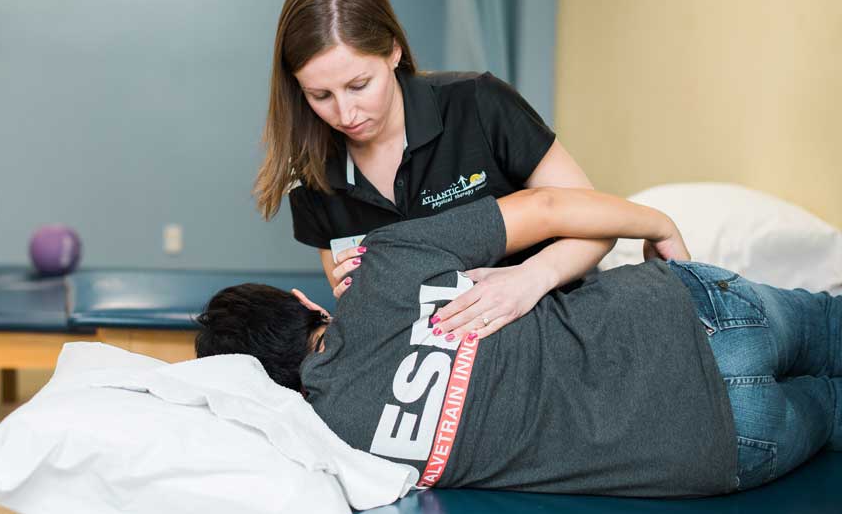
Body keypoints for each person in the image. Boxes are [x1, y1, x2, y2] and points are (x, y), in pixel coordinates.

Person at [197, 188, 842, 497]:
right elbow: (549, 208)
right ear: (308, 303)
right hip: (686, 319)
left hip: (721, 449)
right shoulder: (386, 266)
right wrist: (660, 223)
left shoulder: (344, 452)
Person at [254, 0, 610, 342]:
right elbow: (360, 301)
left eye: (359, 85)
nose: (345, 114)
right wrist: (354, 295)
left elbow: (599, 222)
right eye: (320, 95)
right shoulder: (310, 172)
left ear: (394, 51)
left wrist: (533, 277)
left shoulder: (479, 104)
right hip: (444, 367)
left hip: (558, 328)